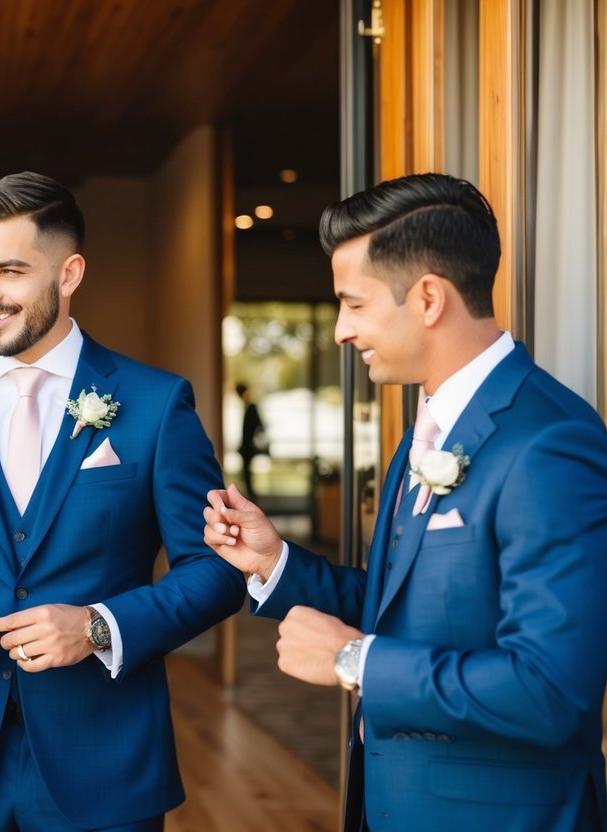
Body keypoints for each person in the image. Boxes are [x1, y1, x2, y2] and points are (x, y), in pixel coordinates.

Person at [204, 173, 607, 831]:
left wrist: (352, 661)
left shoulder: (548, 443)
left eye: (352, 304)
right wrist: (273, 561)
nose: (339, 331)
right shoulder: (426, 425)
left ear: (426, 298)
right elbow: (402, 609)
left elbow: (549, 691)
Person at [0, 171, 246, 831]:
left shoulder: (156, 405)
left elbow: (215, 572)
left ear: (68, 274)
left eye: (9, 270)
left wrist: (98, 627)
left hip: (106, 765)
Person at [235, 381, 265, 498]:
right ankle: (249, 493)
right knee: (246, 472)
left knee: (247, 472)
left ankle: (251, 494)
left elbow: (258, 425)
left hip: (248, 446)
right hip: (246, 445)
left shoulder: (250, 407)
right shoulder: (247, 406)